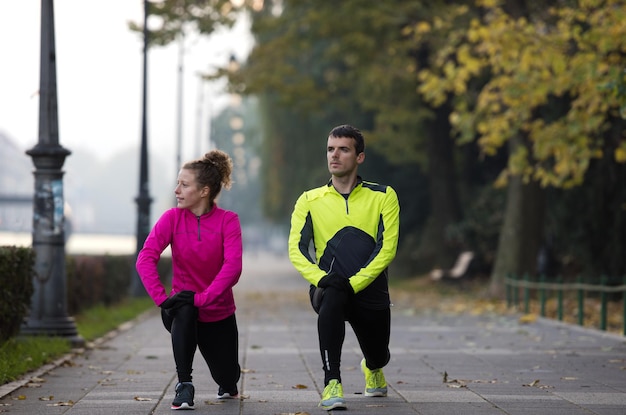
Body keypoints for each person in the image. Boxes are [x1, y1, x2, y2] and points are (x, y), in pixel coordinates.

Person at [288, 124, 400, 410]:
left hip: (370, 289)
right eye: (330, 149)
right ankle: (332, 382)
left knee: (379, 354)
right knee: (334, 295)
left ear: (359, 157)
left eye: (343, 149)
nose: (334, 155)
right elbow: (297, 250)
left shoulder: (384, 195)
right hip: (329, 287)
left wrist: (355, 283)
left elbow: (386, 248)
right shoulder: (309, 200)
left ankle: (373, 368)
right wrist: (322, 279)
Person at [136, 150, 242, 410]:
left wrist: (203, 298)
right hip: (182, 310)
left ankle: (226, 380)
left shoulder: (228, 221)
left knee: (228, 379)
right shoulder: (171, 218)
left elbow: (233, 267)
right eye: (177, 184)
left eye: (184, 185)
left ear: (204, 191)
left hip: (218, 312)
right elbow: (146, 257)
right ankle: (184, 384)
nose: (177, 190)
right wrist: (163, 299)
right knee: (184, 304)